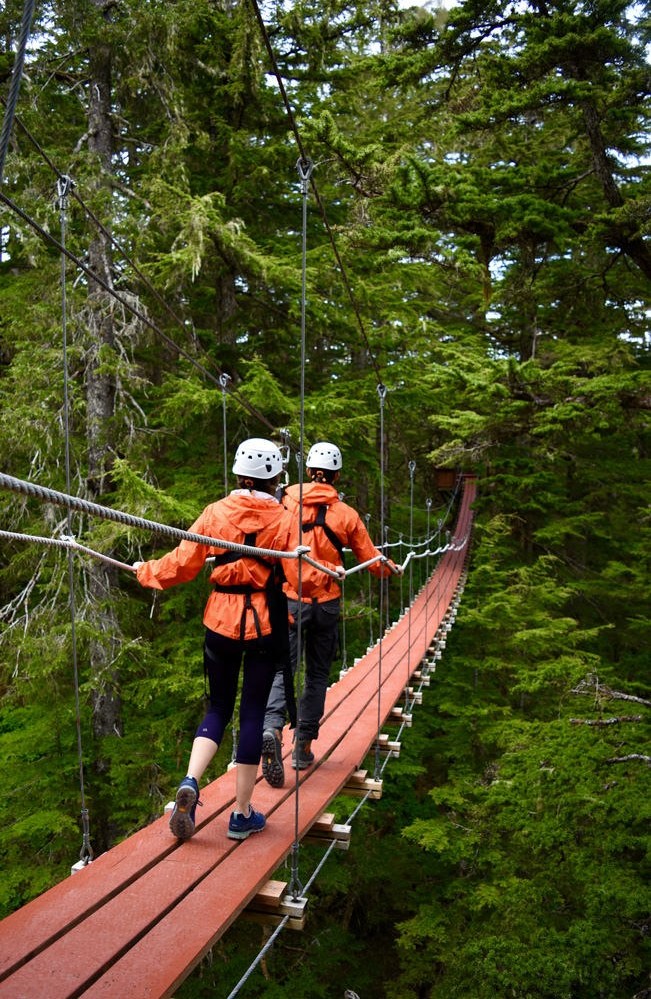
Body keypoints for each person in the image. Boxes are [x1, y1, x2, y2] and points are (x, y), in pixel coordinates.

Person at [134, 438, 293, 842]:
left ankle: (190, 779)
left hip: (220, 621)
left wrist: (146, 571)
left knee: (218, 705)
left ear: (238, 471)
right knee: (253, 709)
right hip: (263, 624)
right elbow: (297, 574)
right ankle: (241, 815)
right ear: (275, 477)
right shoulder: (286, 519)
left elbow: (183, 564)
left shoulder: (215, 513)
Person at [261, 441, 401, 788]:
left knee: (283, 668)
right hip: (325, 604)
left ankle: (272, 727)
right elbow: (371, 559)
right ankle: (303, 747)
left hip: (290, 600)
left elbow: (268, 539)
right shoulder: (346, 515)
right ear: (336, 476)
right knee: (317, 674)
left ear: (308, 471)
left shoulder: (285, 500)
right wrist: (390, 568)